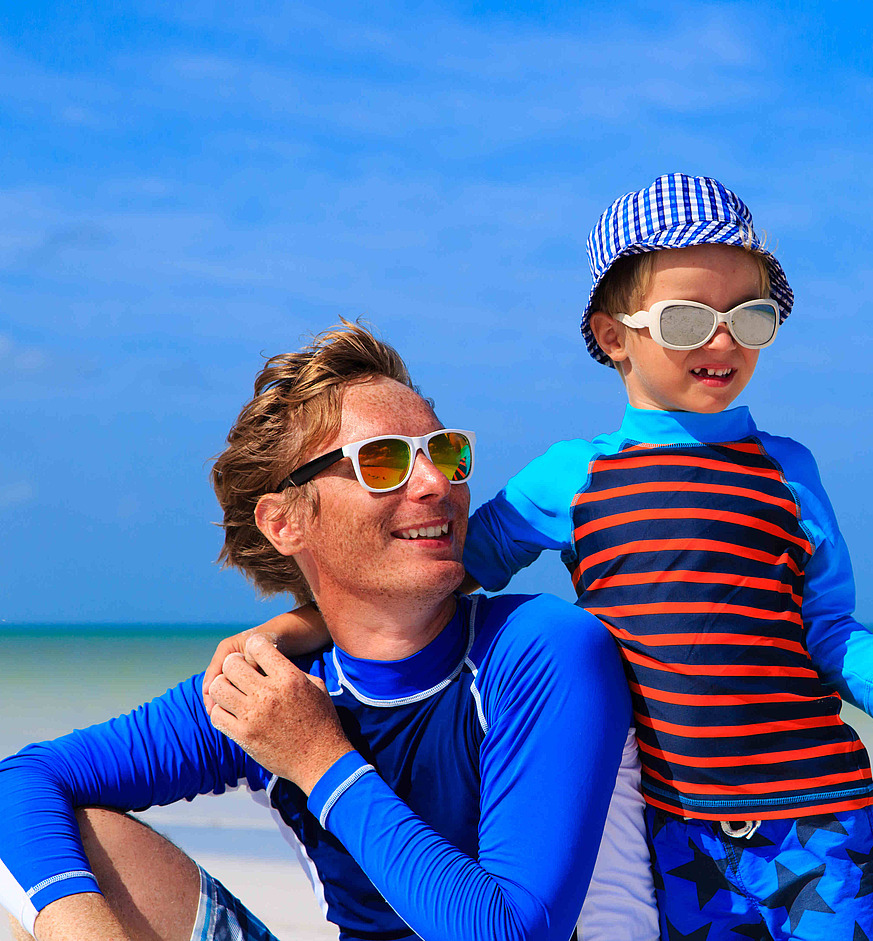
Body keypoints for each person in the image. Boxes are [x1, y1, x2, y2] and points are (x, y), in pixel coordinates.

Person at [206, 175, 873, 940]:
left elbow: (827, 630)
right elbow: (438, 581)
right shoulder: (573, 478)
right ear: (614, 336)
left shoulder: (789, 470)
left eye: (750, 316)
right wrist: (301, 626)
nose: (722, 339)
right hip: (671, 824)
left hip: (820, 811)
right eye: (688, 317)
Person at [0, 322, 636, 941]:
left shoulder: (540, 648)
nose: (438, 484)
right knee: (63, 852)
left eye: (445, 452)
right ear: (285, 523)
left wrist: (318, 760)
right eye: (383, 461)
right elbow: (21, 781)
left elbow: (511, 932)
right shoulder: (275, 689)